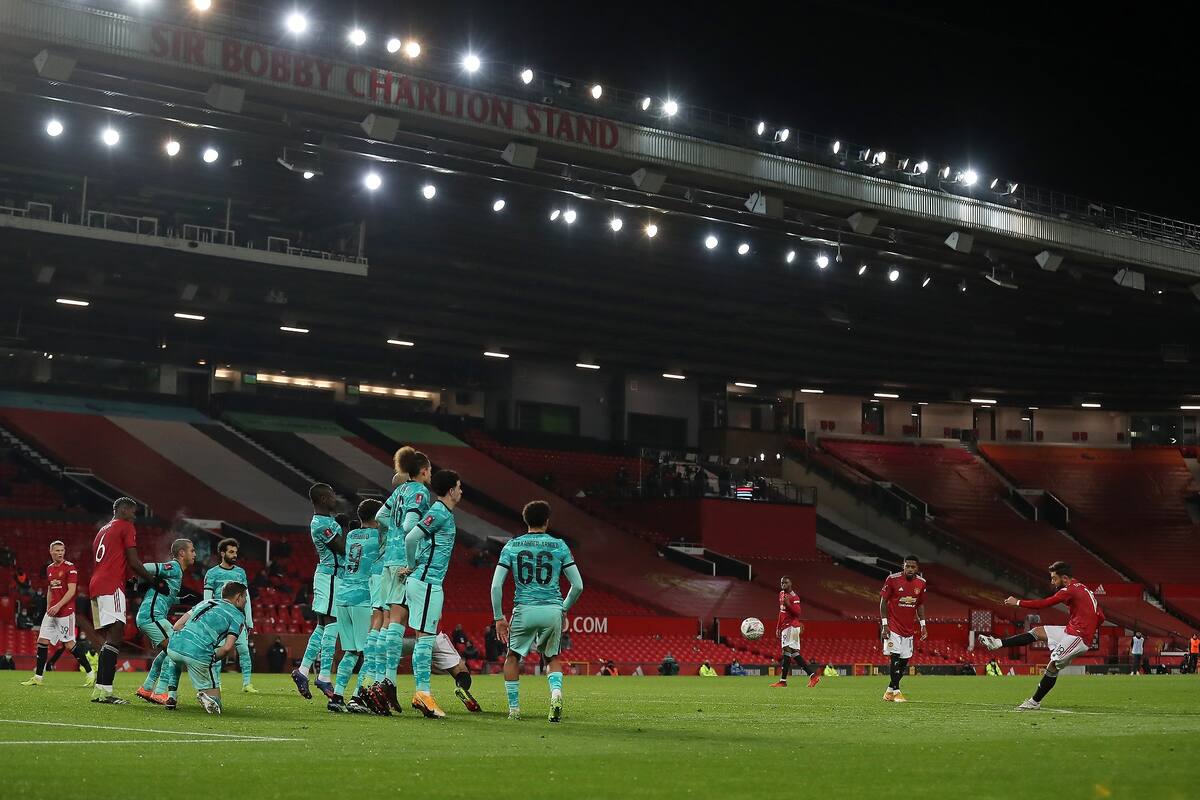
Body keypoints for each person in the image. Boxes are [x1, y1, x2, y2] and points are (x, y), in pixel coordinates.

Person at [491, 499, 584, 722]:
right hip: (552, 608)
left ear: (525, 520)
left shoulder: (512, 546)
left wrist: (498, 617)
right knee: (552, 657)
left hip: (524, 608)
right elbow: (578, 585)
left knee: (513, 656)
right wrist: (563, 608)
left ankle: (514, 710)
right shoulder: (559, 546)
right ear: (547, 521)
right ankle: (556, 695)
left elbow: (496, 586)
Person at [979, 561, 1104, 710]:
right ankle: (997, 643)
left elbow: (1043, 604)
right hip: (1072, 630)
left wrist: (1017, 602)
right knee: (1037, 632)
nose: (1052, 581)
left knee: (1053, 666)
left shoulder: (1069, 590)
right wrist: (1088, 625)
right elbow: (1101, 616)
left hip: (1079, 636)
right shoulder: (1083, 589)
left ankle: (1034, 702)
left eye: (1054, 578)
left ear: (1064, 578)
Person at [89, 497, 167, 704]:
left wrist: (129, 581)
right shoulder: (126, 526)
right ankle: (106, 692)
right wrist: (154, 581)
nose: (134, 516)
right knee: (116, 636)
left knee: (109, 638)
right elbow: (133, 561)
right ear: (123, 510)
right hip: (111, 586)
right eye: (133, 511)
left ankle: (99, 691)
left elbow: (111, 560)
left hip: (96, 586)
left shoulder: (102, 530)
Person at [373, 447, 433, 714]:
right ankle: (389, 682)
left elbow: (380, 517)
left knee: (389, 620)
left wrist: (393, 534)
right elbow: (411, 525)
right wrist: (415, 536)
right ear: (422, 470)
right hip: (403, 562)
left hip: (388, 560)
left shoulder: (398, 491)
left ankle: (385, 681)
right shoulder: (420, 492)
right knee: (398, 619)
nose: (431, 474)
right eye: (429, 470)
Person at [404, 468, 464, 718]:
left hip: (425, 581)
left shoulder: (442, 513)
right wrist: (411, 565)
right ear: (451, 490)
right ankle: (423, 694)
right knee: (426, 641)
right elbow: (411, 537)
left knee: (423, 639)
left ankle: (422, 694)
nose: (461, 491)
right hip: (428, 582)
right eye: (459, 487)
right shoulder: (439, 512)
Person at [292, 483, 346, 704]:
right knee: (333, 624)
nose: (335, 498)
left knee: (322, 626)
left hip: (328, 576)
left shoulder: (326, 522)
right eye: (332, 495)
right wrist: (350, 529)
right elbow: (342, 547)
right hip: (331, 577)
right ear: (323, 499)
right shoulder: (321, 524)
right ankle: (324, 676)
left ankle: (303, 671)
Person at [159, 581, 249, 714]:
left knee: (175, 659)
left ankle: (172, 695)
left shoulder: (205, 603)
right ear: (238, 597)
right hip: (198, 654)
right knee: (216, 706)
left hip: (174, 647)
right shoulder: (237, 616)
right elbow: (226, 648)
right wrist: (212, 658)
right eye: (245, 597)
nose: (246, 601)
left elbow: (177, 626)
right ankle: (207, 697)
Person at [330, 499, 383, 714]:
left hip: (343, 596)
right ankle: (357, 697)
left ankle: (337, 697)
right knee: (368, 652)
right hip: (362, 597)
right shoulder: (378, 537)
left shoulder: (351, 535)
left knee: (350, 652)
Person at [20, 540, 94, 687]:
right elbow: (50, 589)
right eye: (57, 550)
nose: (60, 553)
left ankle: (90, 673)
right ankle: (38, 677)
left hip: (65, 612)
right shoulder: (49, 569)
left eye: (62, 550)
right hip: (52, 612)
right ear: (51, 552)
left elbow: (71, 591)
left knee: (69, 644)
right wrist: (49, 607)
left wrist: (58, 605)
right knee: (42, 641)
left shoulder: (70, 568)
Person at [134, 538, 195, 704]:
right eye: (192, 550)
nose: (194, 554)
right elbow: (145, 568)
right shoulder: (174, 567)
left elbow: (164, 594)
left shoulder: (178, 572)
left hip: (151, 616)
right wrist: (147, 583)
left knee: (168, 651)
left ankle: (147, 688)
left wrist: (182, 598)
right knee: (176, 649)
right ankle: (160, 691)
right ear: (182, 553)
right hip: (152, 616)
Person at [204, 538, 257, 694]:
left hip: (237, 618)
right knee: (219, 651)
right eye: (231, 552)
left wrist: (249, 620)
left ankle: (247, 684)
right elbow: (206, 599)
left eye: (235, 552)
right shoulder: (212, 573)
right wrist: (209, 618)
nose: (234, 555)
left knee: (244, 650)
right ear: (222, 553)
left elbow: (246, 598)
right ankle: (217, 683)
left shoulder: (240, 572)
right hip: (219, 619)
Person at [880, 555, 928, 703]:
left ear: (917, 569)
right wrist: (885, 624)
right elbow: (883, 601)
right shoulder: (892, 579)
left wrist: (923, 625)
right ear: (903, 566)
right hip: (893, 626)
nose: (910, 569)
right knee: (894, 657)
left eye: (913, 567)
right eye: (907, 566)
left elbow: (919, 605)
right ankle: (896, 692)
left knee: (904, 661)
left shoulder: (921, 583)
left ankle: (888, 691)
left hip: (909, 628)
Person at [771, 575, 820, 688]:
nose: (783, 585)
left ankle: (783, 681)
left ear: (790, 584)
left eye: (786, 583)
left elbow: (798, 613)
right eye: (782, 583)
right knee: (792, 653)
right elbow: (781, 612)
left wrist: (788, 604)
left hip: (791, 626)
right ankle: (812, 676)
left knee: (787, 652)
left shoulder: (794, 597)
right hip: (785, 626)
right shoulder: (781, 594)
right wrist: (778, 627)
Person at [431, 631, 482, 712]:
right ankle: (462, 688)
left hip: (409, 639)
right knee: (461, 670)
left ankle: (421, 695)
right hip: (433, 636)